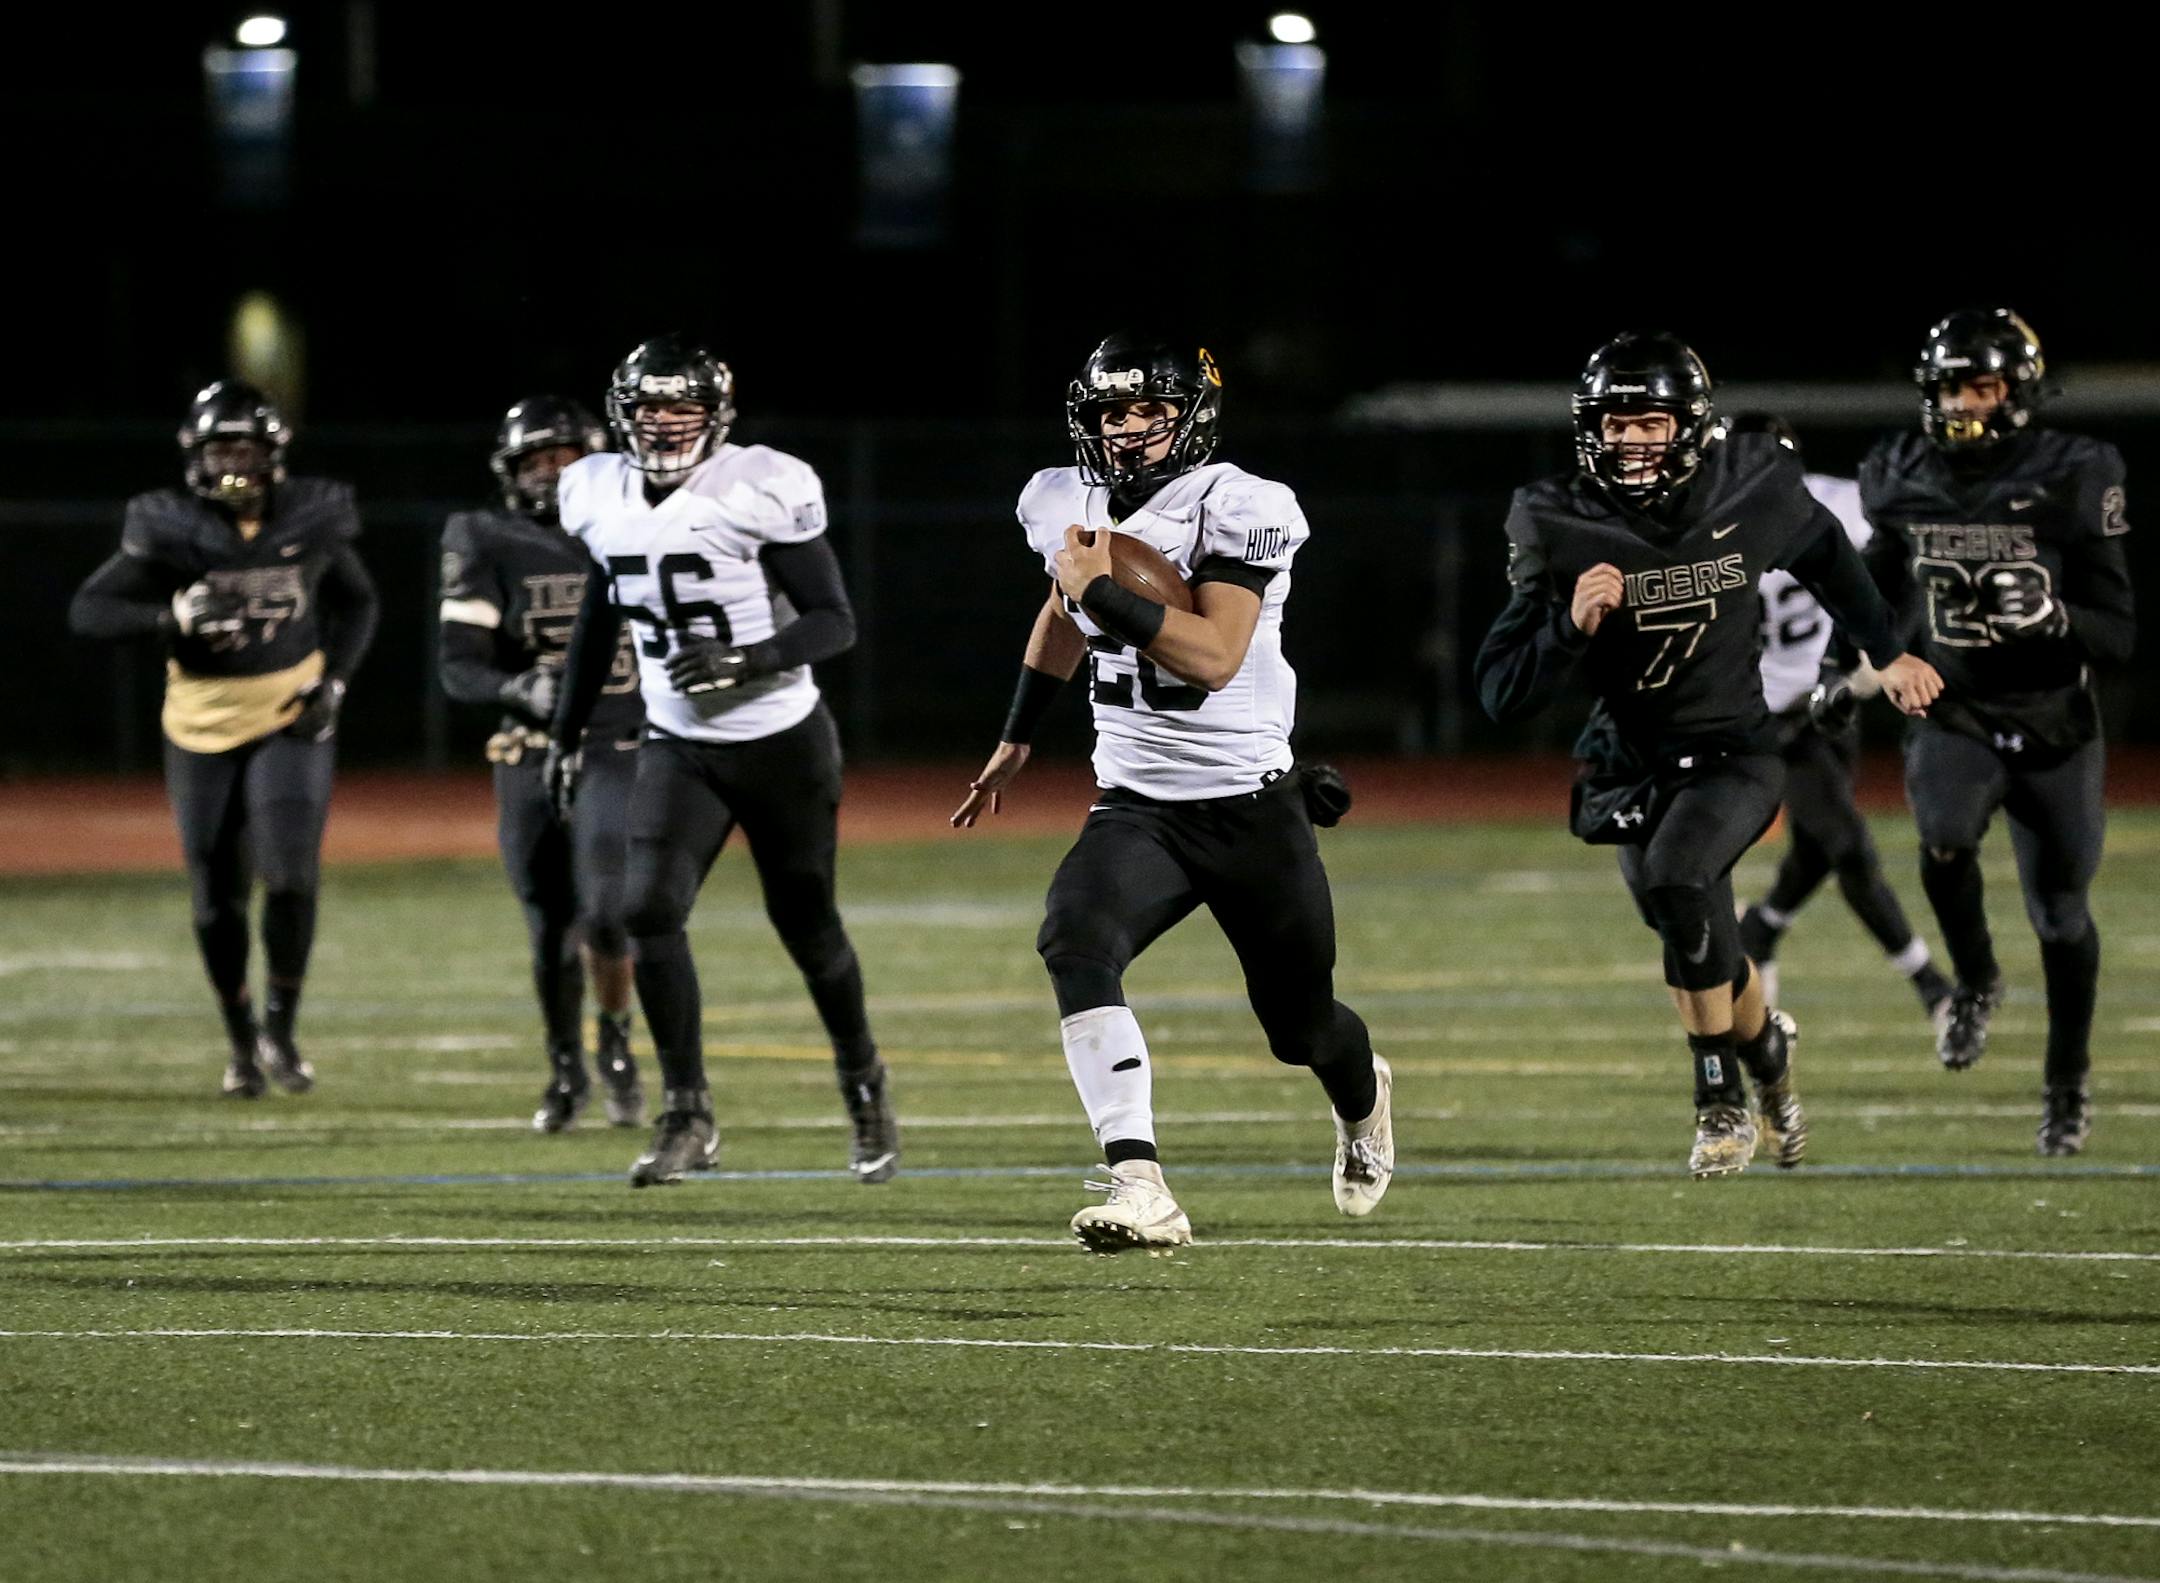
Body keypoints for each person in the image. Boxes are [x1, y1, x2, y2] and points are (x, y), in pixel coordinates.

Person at [952, 330, 1390, 1253]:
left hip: (1247, 806)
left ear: (1192, 415)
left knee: (1302, 1029)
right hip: (1137, 803)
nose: (1128, 427)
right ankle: (1139, 1180)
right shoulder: (1059, 497)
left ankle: (1364, 1099)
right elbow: (1062, 608)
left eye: (1150, 408)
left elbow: (1216, 655)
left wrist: (1101, 590)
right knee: (1075, 939)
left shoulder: (1239, 503)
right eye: (1113, 410)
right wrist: (1018, 733)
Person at [1475, 333, 1942, 1177]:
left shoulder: (1750, 483)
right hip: (1630, 760)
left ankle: (1718, 1099)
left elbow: (1830, 556)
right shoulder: (1558, 518)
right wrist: (1567, 626)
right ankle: (1769, 1053)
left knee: (1678, 877)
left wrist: (1886, 650)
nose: (1630, 441)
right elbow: (1501, 693)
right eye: (1615, 424)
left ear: (1691, 426)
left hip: (1734, 749)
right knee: (1702, 938)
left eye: (1650, 422)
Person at [546, 334, 898, 1186]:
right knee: (647, 910)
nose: (665, 422)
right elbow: (601, 610)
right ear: (622, 414)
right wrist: (566, 730)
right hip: (680, 741)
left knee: (806, 923)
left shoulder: (758, 484)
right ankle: (687, 1113)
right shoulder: (594, 490)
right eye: (650, 406)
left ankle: (863, 1083)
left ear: (716, 416)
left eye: (684, 407)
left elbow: (834, 619)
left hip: (781, 738)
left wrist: (749, 659)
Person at [1860, 309, 2136, 1155]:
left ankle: (2066, 1080)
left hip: (2054, 716)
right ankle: (1976, 978)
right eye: (1950, 387)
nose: (1961, 404)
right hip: (1959, 707)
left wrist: (2057, 618)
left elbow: (2120, 632)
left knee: (2061, 916)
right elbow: (1869, 590)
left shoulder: (2074, 472)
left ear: (2017, 391)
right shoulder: (1900, 471)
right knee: (1943, 838)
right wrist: (1861, 662)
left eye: (1980, 386)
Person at [68, 380, 378, 1097]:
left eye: (245, 449)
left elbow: (359, 601)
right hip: (200, 722)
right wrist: (170, 617)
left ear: (273, 454)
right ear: (195, 456)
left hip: (289, 714)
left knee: (292, 877)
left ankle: (281, 1029)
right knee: (216, 898)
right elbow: (89, 609)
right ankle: (241, 1041)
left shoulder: (309, 515)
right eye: (220, 450)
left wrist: (334, 683)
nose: (233, 464)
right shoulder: (169, 524)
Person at [439, 395, 645, 1133]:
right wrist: (517, 688)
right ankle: (565, 1066)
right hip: (529, 751)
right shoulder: (485, 537)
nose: (550, 473)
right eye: (535, 460)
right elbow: (458, 665)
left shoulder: (638, 523)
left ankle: (615, 1039)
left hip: (619, 743)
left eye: (564, 458)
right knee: (550, 925)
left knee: (608, 912)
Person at [1722, 411, 1953, 1017]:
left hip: (1829, 702)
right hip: (1756, 719)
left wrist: (1880, 650)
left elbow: (1900, 563)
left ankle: (1761, 930)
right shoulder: (1700, 527)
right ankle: (1931, 985)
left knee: (1818, 846)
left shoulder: (1839, 506)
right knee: (1845, 843)